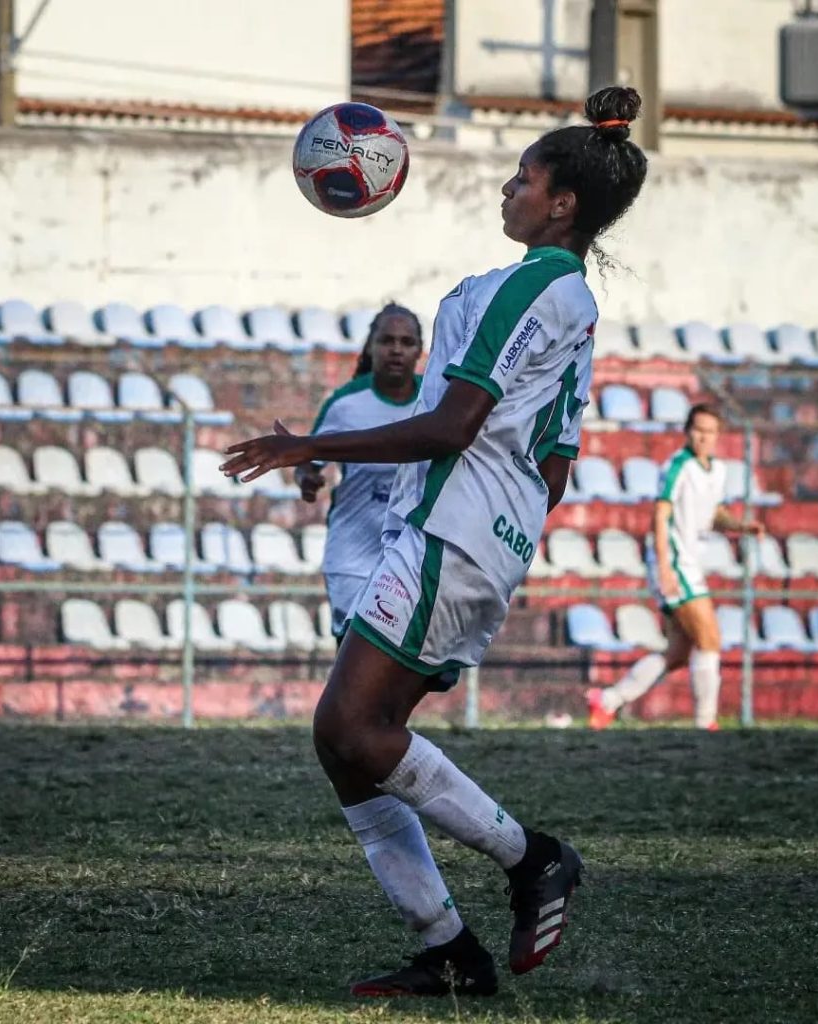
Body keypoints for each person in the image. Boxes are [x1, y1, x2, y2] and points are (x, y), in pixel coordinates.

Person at [222, 86, 648, 997]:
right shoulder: (573, 306)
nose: (509, 187)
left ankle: (531, 857)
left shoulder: (533, 285)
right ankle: (447, 948)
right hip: (471, 535)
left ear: (562, 202)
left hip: (450, 530)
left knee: (349, 727)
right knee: (348, 742)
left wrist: (311, 444)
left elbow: (453, 426)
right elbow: (558, 461)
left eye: (523, 177)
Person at [586, 404, 765, 730]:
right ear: (687, 431)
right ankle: (705, 723)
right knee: (710, 639)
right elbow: (661, 513)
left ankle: (608, 699)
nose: (703, 437)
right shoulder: (677, 466)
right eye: (698, 430)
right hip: (676, 564)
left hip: (691, 562)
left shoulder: (717, 471)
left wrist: (740, 527)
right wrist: (665, 567)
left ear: (717, 436)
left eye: (709, 432)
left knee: (678, 654)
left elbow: (716, 515)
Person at [296, 304, 424, 642]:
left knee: (395, 672)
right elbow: (309, 459)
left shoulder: (435, 401)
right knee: (355, 658)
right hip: (353, 558)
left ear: (419, 351)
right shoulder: (346, 404)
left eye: (406, 342)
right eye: (387, 340)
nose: (396, 349)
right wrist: (307, 480)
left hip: (411, 558)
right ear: (370, 347)